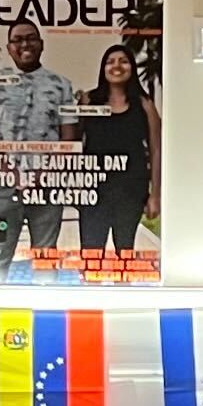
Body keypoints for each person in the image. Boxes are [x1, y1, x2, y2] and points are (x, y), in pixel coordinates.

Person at [0, 13, 83, 267]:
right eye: (18, 40)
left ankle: (45, 306)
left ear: (41, 44)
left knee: (45, 257)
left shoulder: (61, 85)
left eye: (31, 39)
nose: (25, 45)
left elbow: (69, 140)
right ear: (9, 47)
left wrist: (40, 176)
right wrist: (14, 175)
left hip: (47, 186)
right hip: (1, 185)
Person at [73, 37, 160, 262]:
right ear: (103, 69)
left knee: (125, 253)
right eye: (110, 61)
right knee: (91, 255)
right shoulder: (88, 101)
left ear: (132, 67)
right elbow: (72, 144)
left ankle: (124, 290)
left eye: (124, 61)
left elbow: (156, 150)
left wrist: (155, 195)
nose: (117, 66)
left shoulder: (144, 104)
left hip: (131, 190)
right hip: (93, 191)